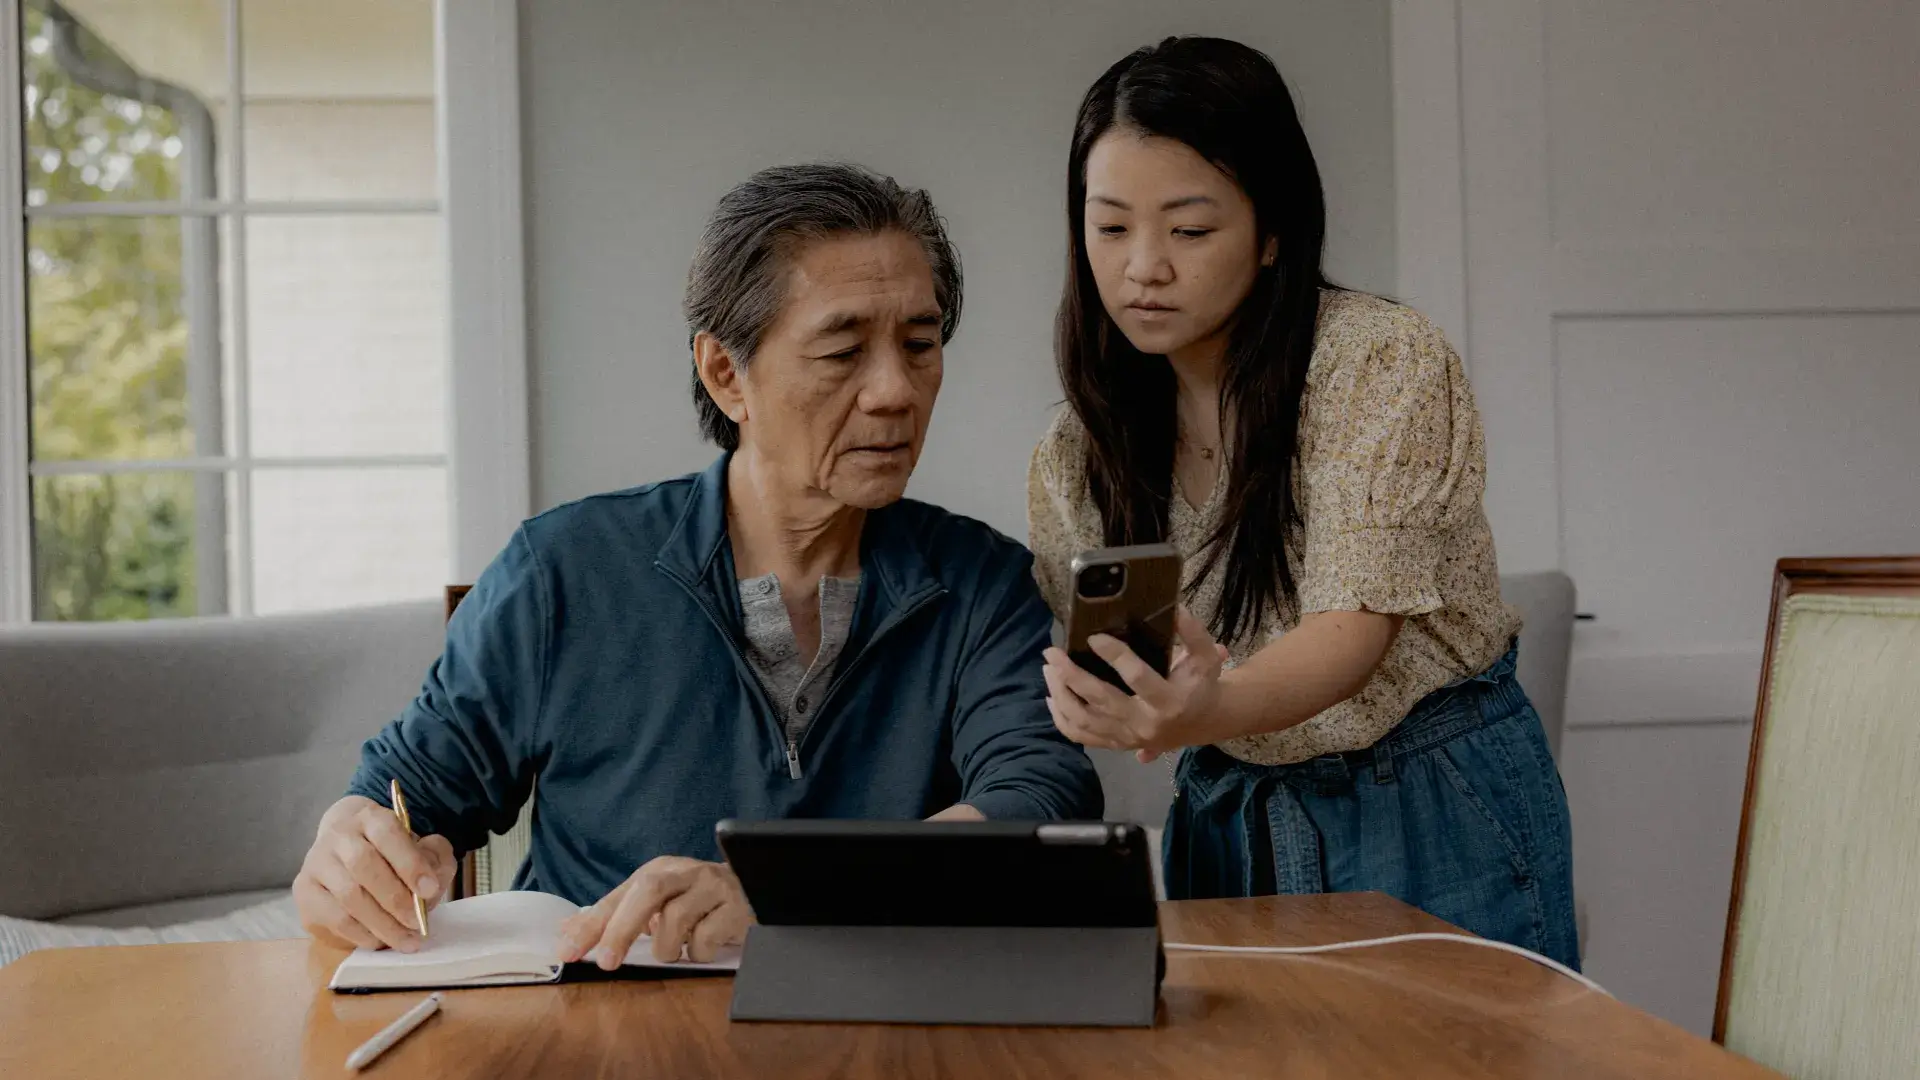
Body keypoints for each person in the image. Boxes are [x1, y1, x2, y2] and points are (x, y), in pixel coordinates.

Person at [296, 162, 1103, 969]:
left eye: (920, 345)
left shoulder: (984, 583)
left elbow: (1040, 809)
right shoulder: (563, 572)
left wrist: (788, 890)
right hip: (600, 1018)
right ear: (726, 374)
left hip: (881, 1013)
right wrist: (351, 852)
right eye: (843, 350)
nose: (896, 390)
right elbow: (405, 798)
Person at [1026, 37, 1579, 968]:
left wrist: (1200, 711)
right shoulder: (1078, 448)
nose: (1143, 267)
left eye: (1189, 231)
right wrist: (1102, 699)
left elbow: (1350, 635)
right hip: (1227, 809)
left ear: (1273, 231)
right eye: (1110, 227)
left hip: (1426, 796)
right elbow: (1129, 660)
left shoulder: (1377, 362)